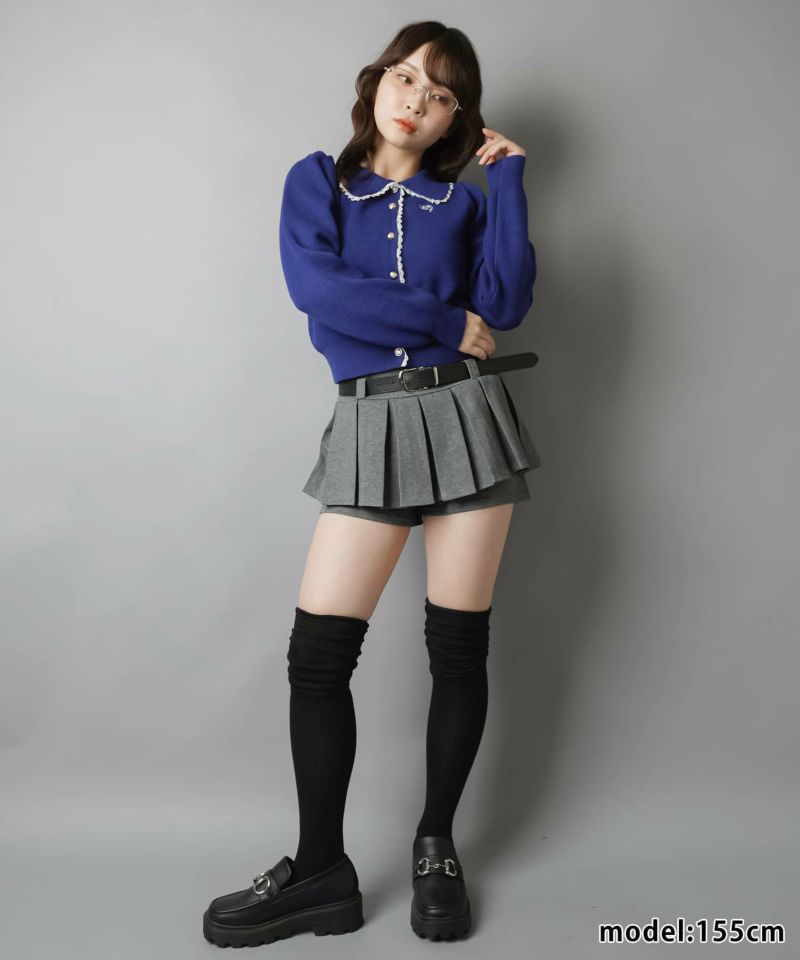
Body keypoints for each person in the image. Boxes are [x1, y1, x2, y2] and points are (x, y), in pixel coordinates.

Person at [203, 19, 542, 947]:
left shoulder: (463, 203)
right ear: (376, 83)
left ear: (455, 121)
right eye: (404, 77)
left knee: (457, 649)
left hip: (466, 419)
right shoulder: (318, 181)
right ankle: (322, 868)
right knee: (318, 658)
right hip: (369, 420)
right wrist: (447, 323)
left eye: (440, 95)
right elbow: (319, 292)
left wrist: (509, 179)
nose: (415, 100)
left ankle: (437, 845)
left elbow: (506, 303)